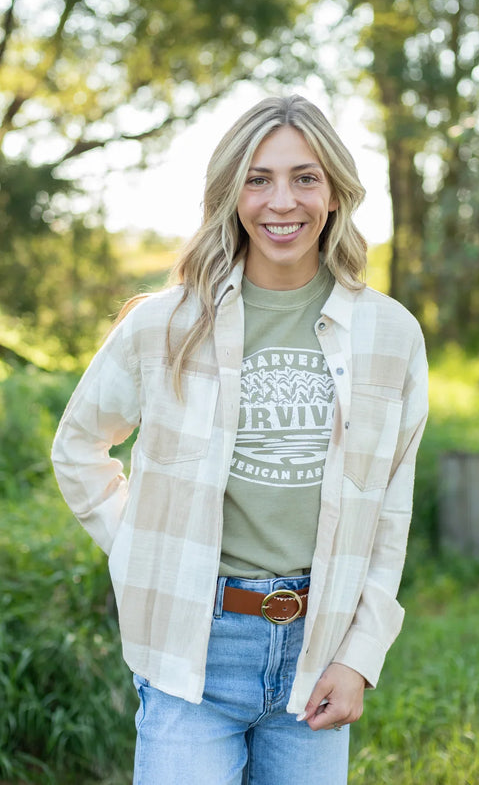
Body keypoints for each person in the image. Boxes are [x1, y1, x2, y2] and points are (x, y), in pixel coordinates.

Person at [52, 94, 428, 785]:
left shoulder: (390, 334)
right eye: (258, 178)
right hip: (188, 646)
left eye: (303, 177)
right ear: (231, 192)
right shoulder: (163, 323)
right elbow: (78, 447)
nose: (280, 200)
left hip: (317, 647)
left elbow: (390, 508)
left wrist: (358, 654)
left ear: (336, 192)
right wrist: (144, 547)